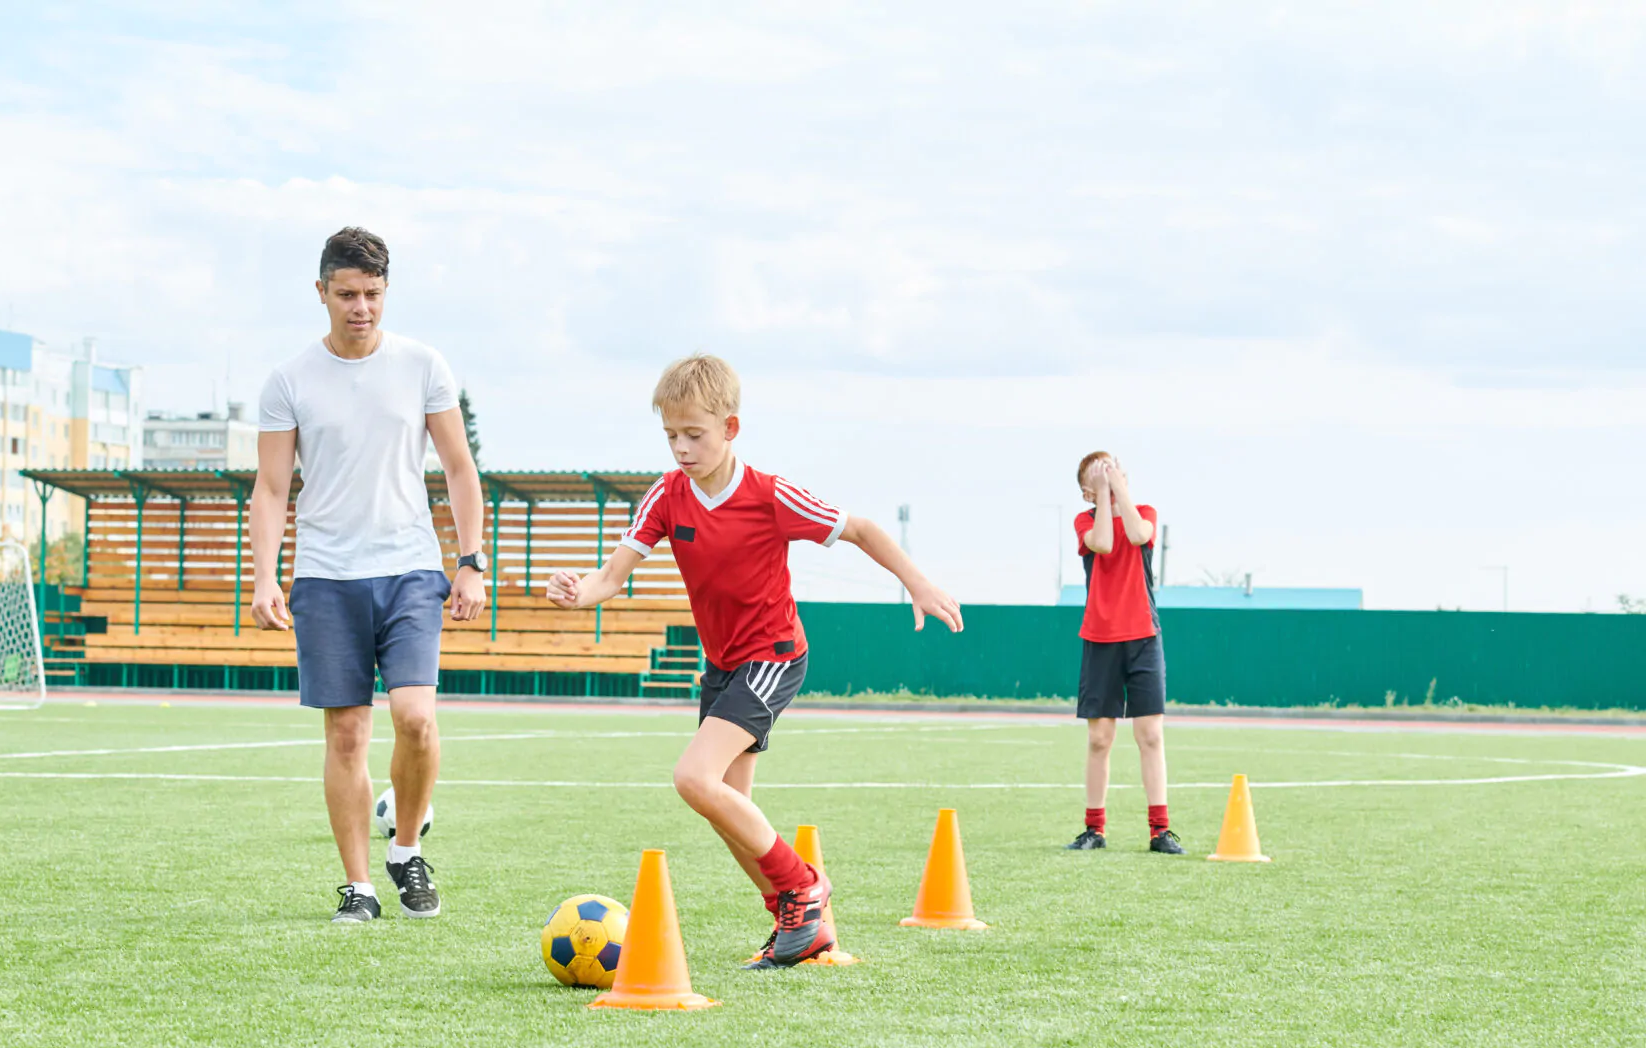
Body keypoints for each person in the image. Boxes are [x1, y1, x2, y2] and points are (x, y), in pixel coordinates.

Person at [547, 354, 964, 967]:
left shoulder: (771, 496)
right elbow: (613, 575)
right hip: (722, 667)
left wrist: (918, 584)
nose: (682, 449)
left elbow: (862, 529)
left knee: (693, 780)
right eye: (671, 436)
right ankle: (800, 927)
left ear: (731, 429)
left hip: (772, 656)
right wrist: (579, 591)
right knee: (729, 813)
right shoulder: (665, 495)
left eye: (695, 435)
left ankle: (803, 888)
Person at [249, 226, 490, 923]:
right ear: (321, 292)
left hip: (411, 569)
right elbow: (270, 488)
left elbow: (458, 467)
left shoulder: (422, 365)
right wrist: (266, 578)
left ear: (387, 292)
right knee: (347, 734)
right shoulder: (289, 380)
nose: (361, 307)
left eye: (374, 294)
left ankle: (406, 849)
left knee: (416, 719)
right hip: (326, 577)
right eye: (347, 294)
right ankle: (359, 886)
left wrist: (469, 562)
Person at [1067, 451, 1183, 853]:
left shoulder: (1143, 511)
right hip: (1100, 639)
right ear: (1087, 492)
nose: (1111, 477)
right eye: (1099, 476)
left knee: (1150, 734)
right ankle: (1094, 828)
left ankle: (1160, 830)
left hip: (1143, 637)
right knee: (1100, 738)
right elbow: (1103, 542)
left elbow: (1136, 535)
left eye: (1115, 470)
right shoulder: (1086, 521)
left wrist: (1118, 490)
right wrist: (1102, 495)